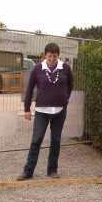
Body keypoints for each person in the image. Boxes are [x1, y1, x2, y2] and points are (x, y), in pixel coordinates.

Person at [16, 43, 74, 181]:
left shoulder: (65, 68)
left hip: (59, 111)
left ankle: (52, 170)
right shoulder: (38, 69)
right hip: (41, 110)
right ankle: (28, 171)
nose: (52, 59)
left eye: (55, 56)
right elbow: (30, 89)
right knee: (36, 140)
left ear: (58, 56)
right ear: (45, 55)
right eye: (49, 56)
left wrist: (64, 100)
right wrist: (26, 109)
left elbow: (70, 85)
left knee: (55, 139)